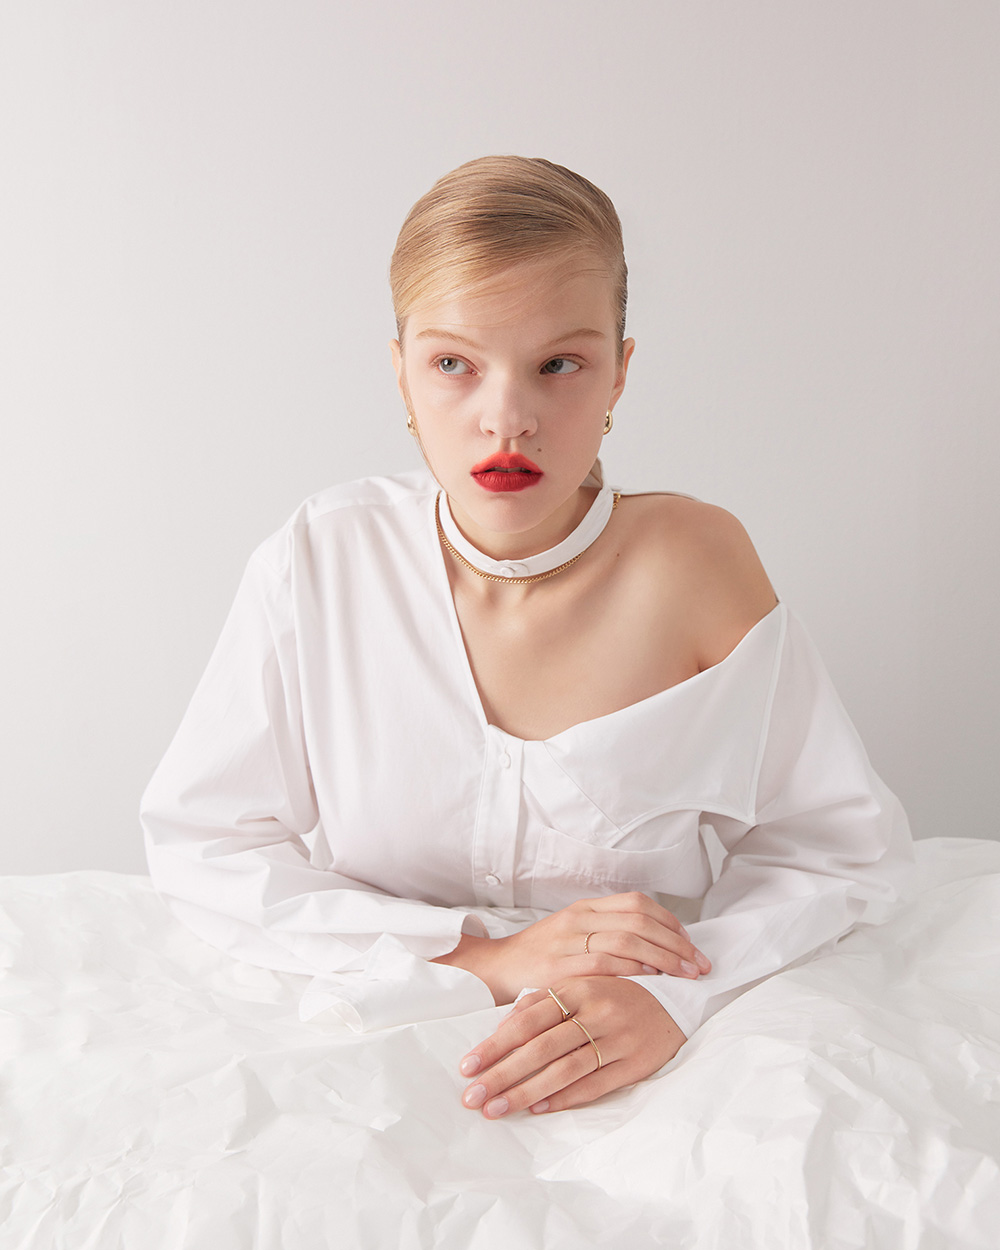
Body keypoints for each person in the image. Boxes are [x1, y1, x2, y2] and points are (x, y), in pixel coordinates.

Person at [141, 155, 913, 1121]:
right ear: (401, 372)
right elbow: (203, 843)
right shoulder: (319, 558)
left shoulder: (698, 563)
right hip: (373, 1043)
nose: (506, 418)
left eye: (559, 364)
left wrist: (677, 998)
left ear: (620, 371)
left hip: (652, 1071)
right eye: (454, 364)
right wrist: (490, 959)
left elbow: (839, 851)